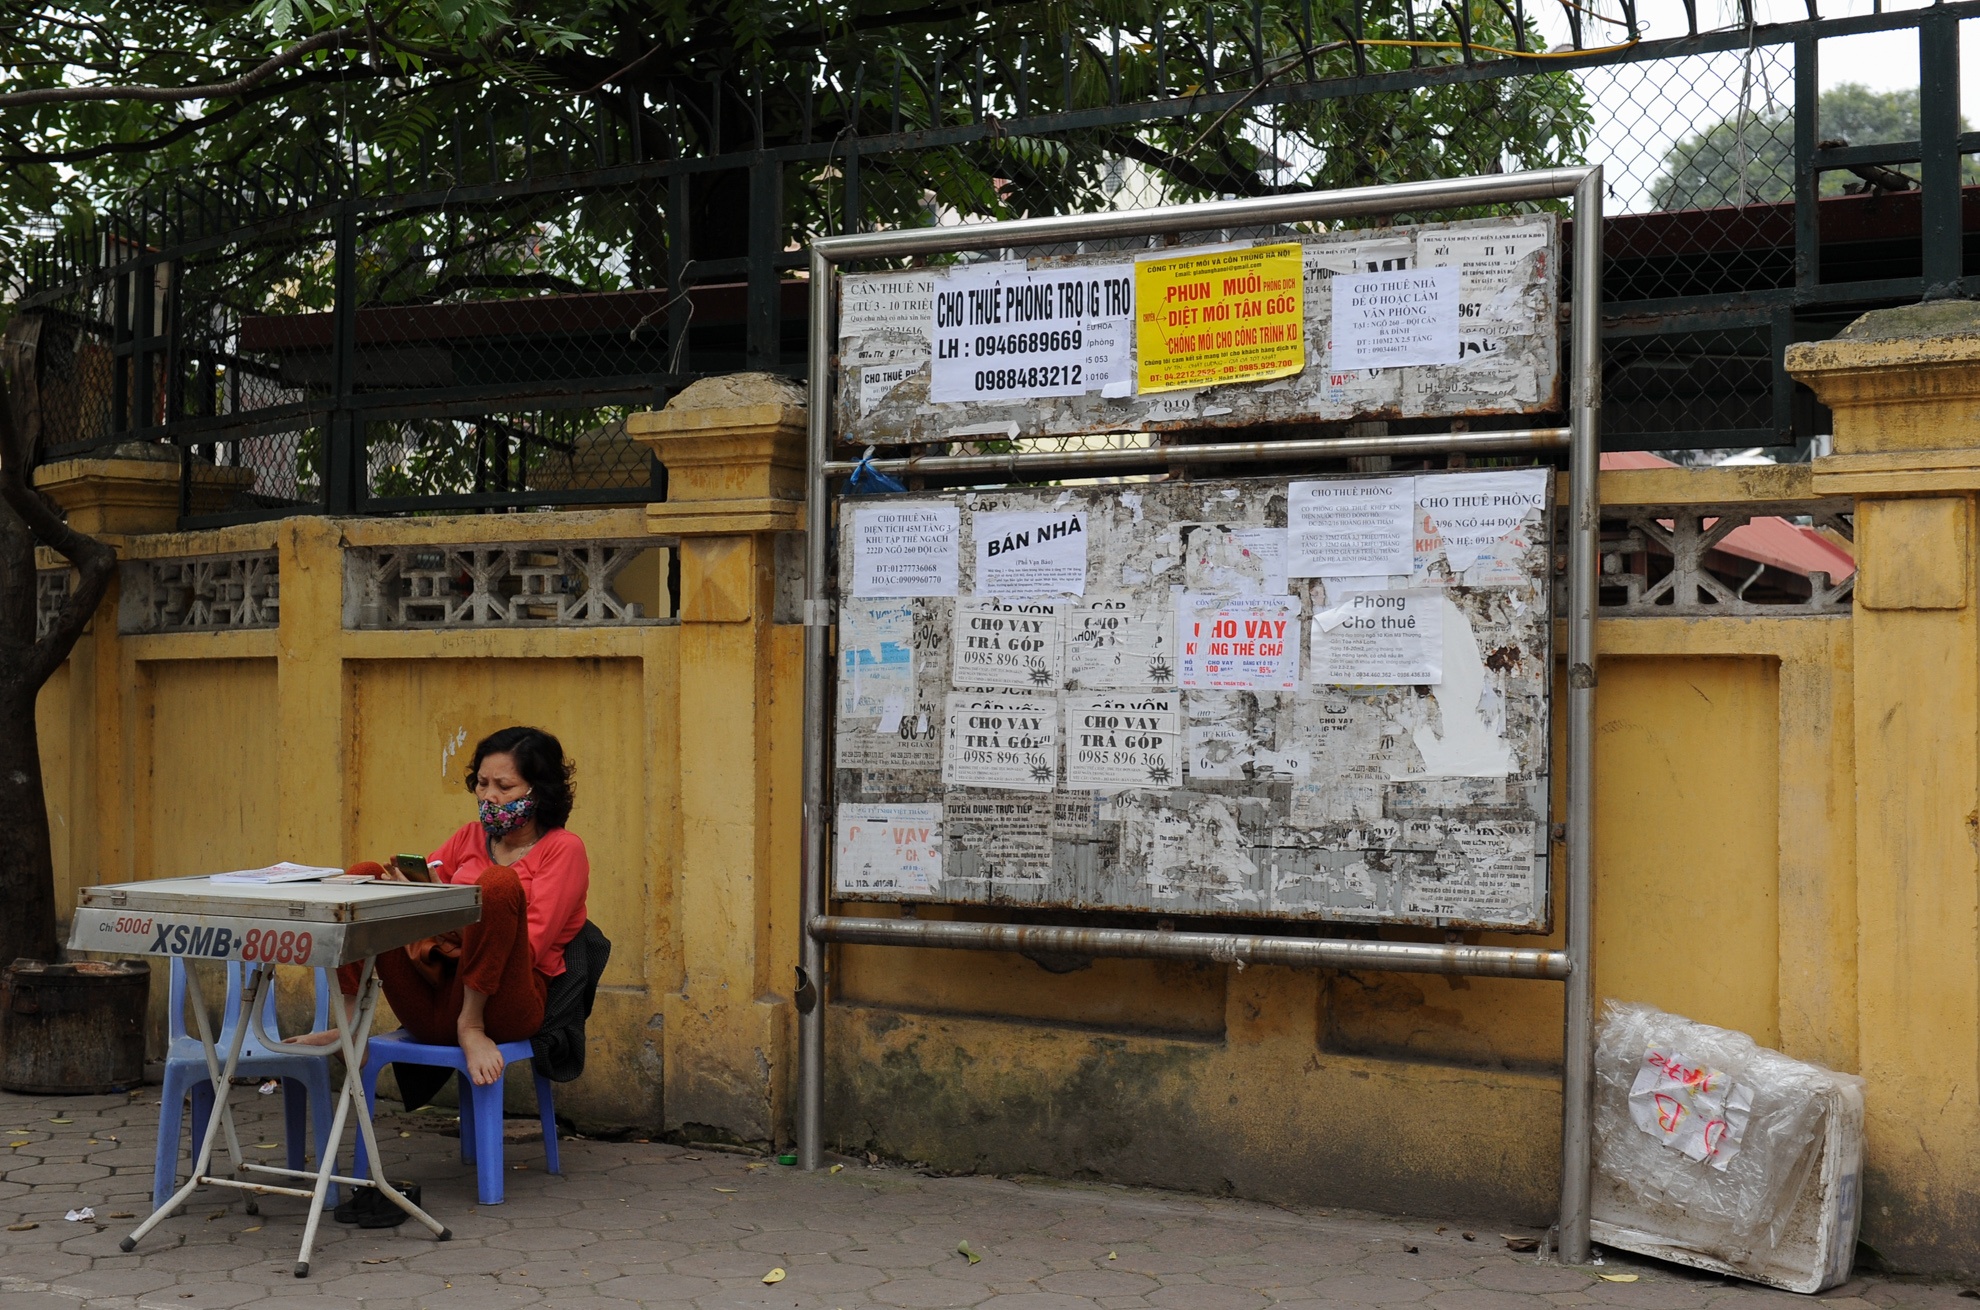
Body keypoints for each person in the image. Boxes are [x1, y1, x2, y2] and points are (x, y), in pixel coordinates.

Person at [289, 726, 591, 1090]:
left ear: (538, 790)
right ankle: (349, 1024)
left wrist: (440, 916)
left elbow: (525, 950)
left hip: (504, 1005)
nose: (489, 796)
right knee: (364, 877)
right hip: (435, 999)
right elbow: (425, 902)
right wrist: (410, 896)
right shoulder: (469, 837)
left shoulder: (564, 849)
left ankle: (471, 1026)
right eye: (482, 784)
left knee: (497, 885)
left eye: (504, 786)